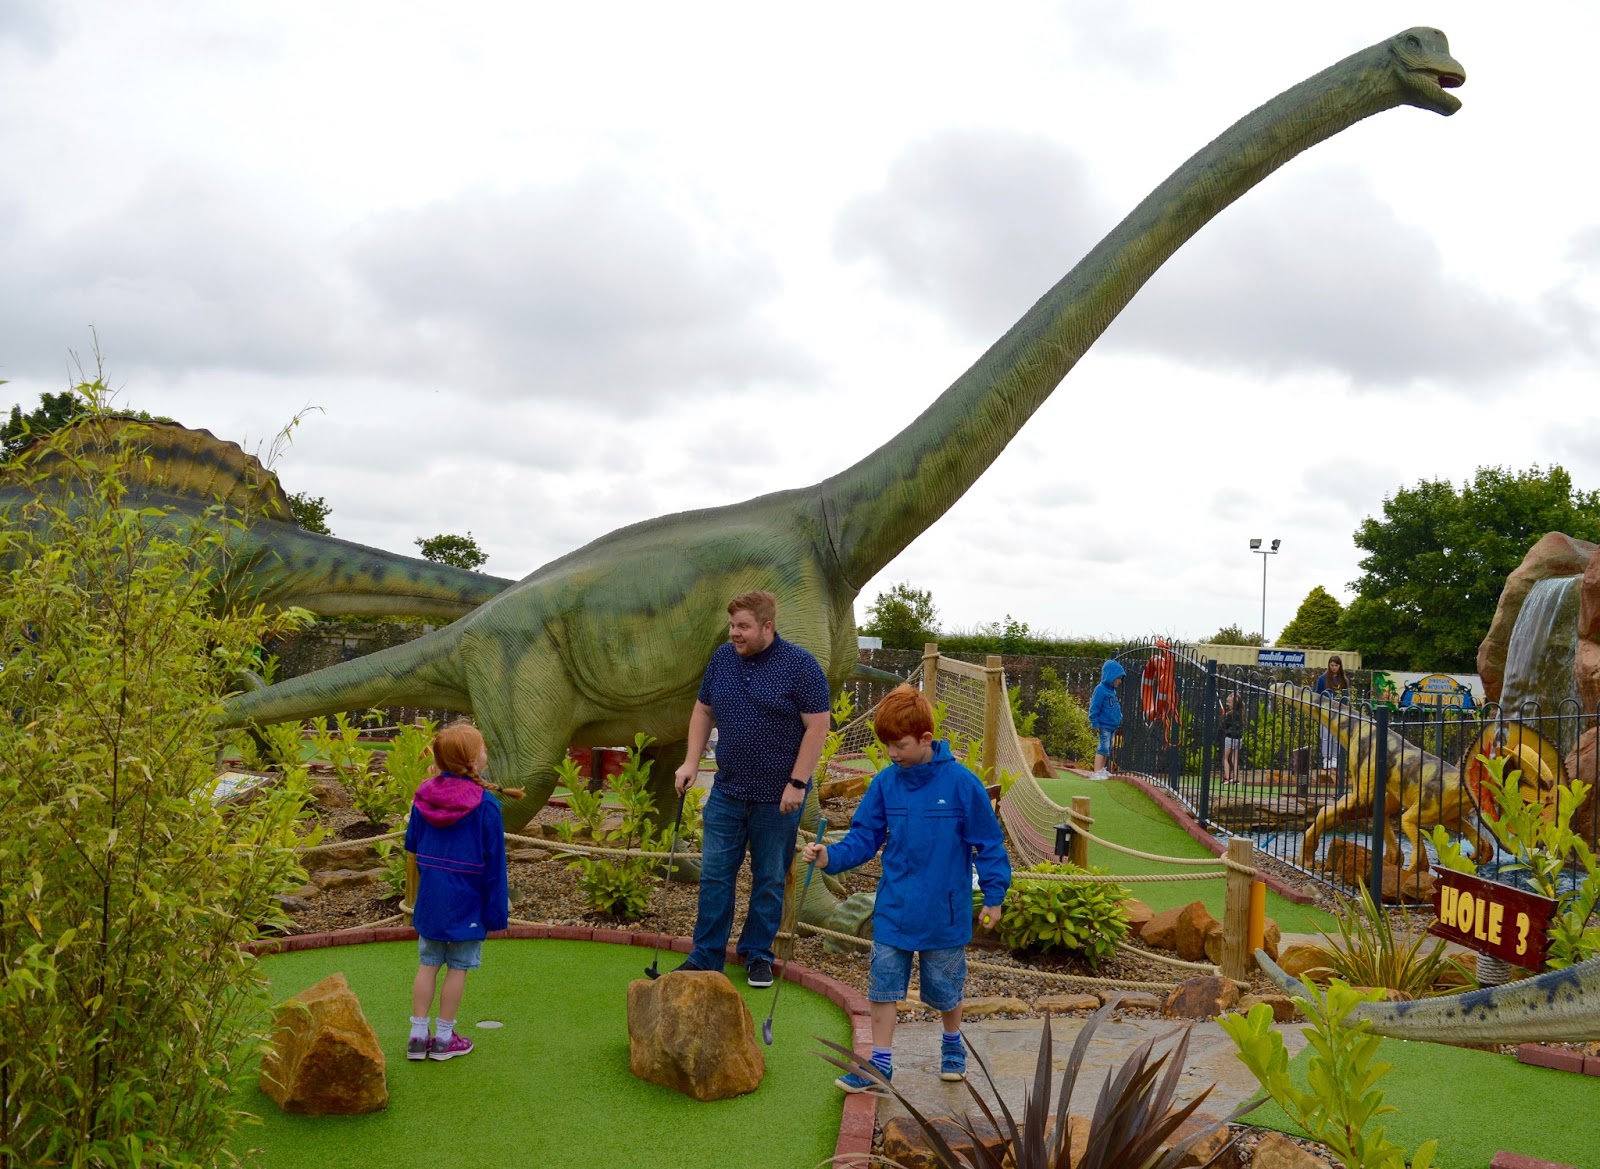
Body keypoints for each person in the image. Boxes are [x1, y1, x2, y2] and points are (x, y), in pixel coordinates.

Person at [804, 685, 1010, 1091]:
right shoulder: (885, 784)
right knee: (882, 987)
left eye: (899, 745)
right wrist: (831, 857)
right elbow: (865, 837)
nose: (892, 754)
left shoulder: (962, 784)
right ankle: (880, 1063)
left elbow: (988, 844)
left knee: (946, 990)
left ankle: (952, 1045)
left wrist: (995, 897)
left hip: (944, 910)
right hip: (894, 907)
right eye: (887, 746)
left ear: (926, 740)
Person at [672, 590, 831, 988]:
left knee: (770, 879)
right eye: (731, 626)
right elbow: (703, 710)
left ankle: (758, 953)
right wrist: (691, 761)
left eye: (742, 627)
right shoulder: (723, 660)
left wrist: (797, 783)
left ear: (767, 626)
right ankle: (706, 954)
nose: (734, 634)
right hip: (727, 791)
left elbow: (818, 726)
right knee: (714, 877)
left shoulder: (800, 666)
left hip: (777, 797)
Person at [404, 721, 515, 1062]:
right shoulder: (486, 805)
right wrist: (496, 914)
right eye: (482, 749)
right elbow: (495, 865)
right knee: (458, 966)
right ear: (472, 759)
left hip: (432, 897)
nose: (485, 754)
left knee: (428, 962)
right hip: (467, 899)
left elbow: (412, 843)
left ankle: (417, 1034)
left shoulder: (424, 795)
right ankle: (442, 1039)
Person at [1088, 660, 1125, 779]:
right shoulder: (1100, 689)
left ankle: (1101, 770)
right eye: (1118, 678)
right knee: (1103, 747)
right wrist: (1095, 722)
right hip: (1103, 725)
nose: (1119, 681)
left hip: (1110, 726)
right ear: (1110, 676)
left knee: (1107, 748)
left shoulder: (1111, 691)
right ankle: (1096, 772)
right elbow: (1094, 707)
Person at [1313, 655, 1351, 771]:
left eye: (1336, 665)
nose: (1334, 667)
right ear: (1329, 665)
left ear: (1340, 666)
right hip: (1324, 711)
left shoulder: (1344, 680)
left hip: (1338, 712)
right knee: (1325, 736)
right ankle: (1326, 759)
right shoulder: (1322, 679)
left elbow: (1346, 697)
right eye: (1332, 665)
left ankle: (1334, 758)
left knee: (1336, 736)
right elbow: (1317, 695)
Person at [1218, 691, 1244, 785]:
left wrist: (1224, 717)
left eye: (1229, 703)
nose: (1228, 704)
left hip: (1230, 737)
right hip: (1239, 738)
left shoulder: (1229, 714)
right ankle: (1236, 779)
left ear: (1234, 703)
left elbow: (1223, 725)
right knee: (1235, 758)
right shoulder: (1241, 713)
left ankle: (1227, 778)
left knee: (1225, 758)